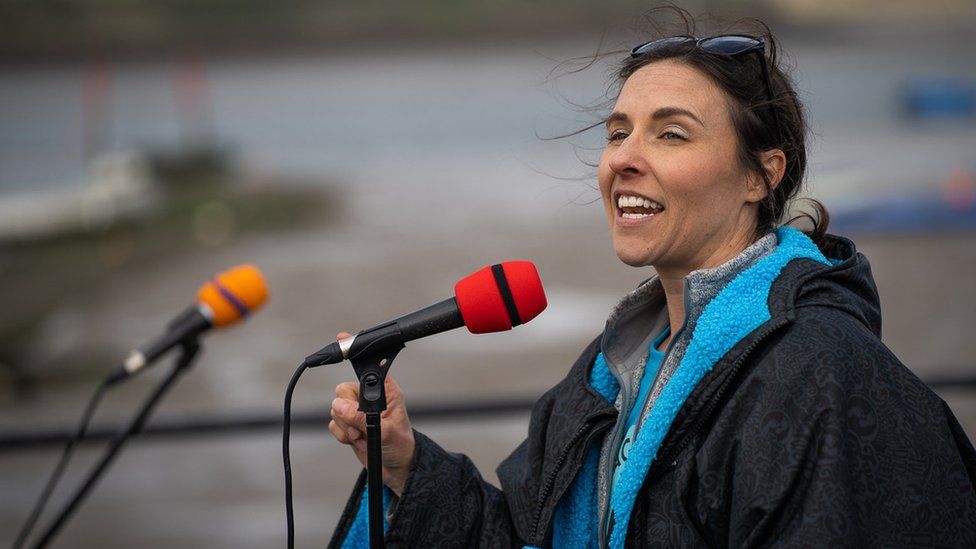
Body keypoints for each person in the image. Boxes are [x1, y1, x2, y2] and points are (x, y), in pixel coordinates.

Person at [325, 10, 976, 548]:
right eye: (617, 133)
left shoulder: (826, 376)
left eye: (670, 134)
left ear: (763, 174)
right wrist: (407, 464)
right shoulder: (609, 370)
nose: (624, 159)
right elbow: (527, 537)